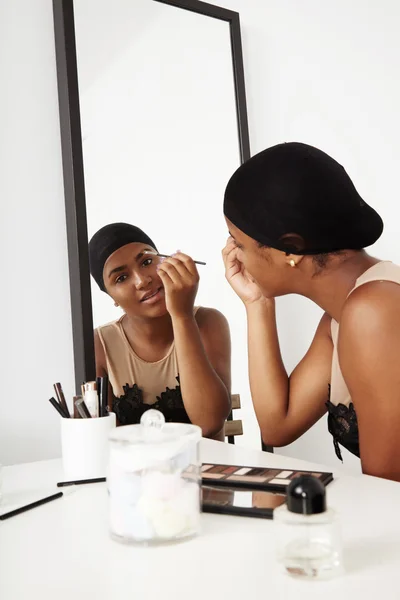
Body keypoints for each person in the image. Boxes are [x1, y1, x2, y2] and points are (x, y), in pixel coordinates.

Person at [222, 142, 400, 481]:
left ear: (290, 249)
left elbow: (390, 497)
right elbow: (279, 424)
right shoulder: (342, 315)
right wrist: (257, 304)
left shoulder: (373, 312)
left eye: (237, 242)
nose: (231, 254)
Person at [89, 222, 231, 440]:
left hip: (204, 469)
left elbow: (209, 423)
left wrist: (182, 315)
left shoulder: (209, 322)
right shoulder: (99, 344)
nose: (142, 280)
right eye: (121, 278)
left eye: (147, 262)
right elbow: (105, 440)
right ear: (111, 297)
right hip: (134, 472)